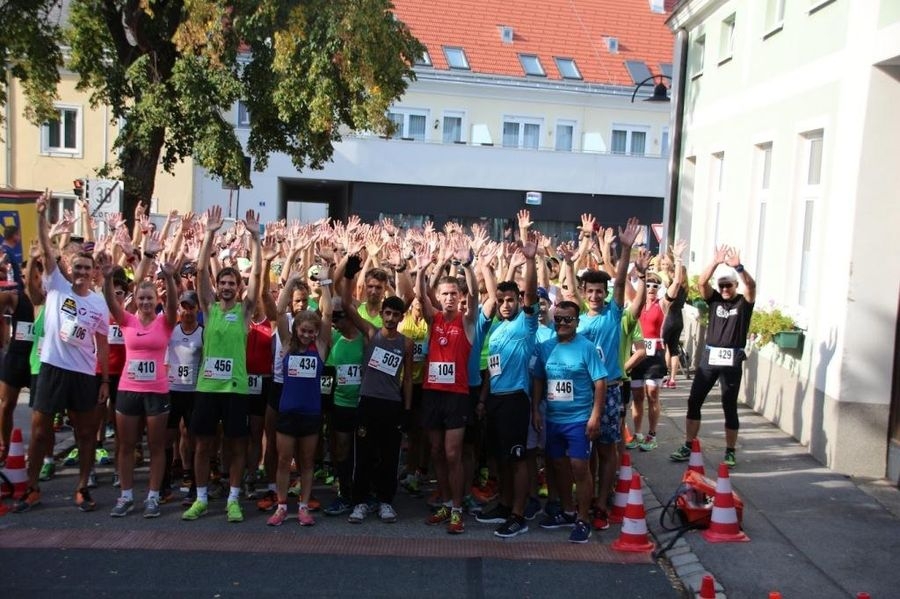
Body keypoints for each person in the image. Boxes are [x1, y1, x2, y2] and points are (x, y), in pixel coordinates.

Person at [14, 190, 110, 513]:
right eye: (78, 267)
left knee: (85, 433)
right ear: (69, 266)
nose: (82, 272)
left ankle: (82, 486)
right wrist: (41, 216)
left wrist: (105, 380)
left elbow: (102, 343)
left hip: (83, 374)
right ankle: (32, 486)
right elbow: (44, 248)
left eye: (87, 269)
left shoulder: (98, 303)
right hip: (52, 367)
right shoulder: (57, 284)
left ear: (94, 272)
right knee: (40, 431)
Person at [182, 206, 261, 523]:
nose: (227, 287)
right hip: (207, 387)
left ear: (238, 288)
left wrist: (256, 239)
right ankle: (200, 498)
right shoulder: (209, 307)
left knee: (236, 446)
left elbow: (257, 275)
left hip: (236, 389)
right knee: (202, 445)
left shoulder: (244, 312)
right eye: (223, 283)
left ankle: (233, 498)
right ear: (217, 287)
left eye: (232, 283)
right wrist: (210, 234)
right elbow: (200, 272)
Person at [572, 217, 640, 530]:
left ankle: (602, 502)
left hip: (611, 389)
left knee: (607, 447)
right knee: (587, 450)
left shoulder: (614, 315)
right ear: (584, 293)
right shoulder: (578, 322)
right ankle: (586, 495)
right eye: (591, 291)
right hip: (584, 392)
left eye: (601, 291)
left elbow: (622, 282)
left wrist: (624, 250)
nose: (596, 296)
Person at [474, 210, 539, 538]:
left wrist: (529, 261)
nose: (505, 304)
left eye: (510, 300)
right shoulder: (497, 331)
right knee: (500, 458)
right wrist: (483, 400)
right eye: (501, 300)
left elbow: (531, 291)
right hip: (496, 400)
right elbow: (491, 370)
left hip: (517, 400)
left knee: (517, 458)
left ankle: (518, 513)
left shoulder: (526, 324)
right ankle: (503, 504)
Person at [100, 253, 178, 518]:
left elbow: (175, 305)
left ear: (157, 301)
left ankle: (153, 497)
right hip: (128, 389)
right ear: (136, 301)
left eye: (150, 298)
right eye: (142, 298)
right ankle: (125, 496)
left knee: (156, 447)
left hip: (157, 391)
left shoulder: (164, 323)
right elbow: (111, 301)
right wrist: (109, 277)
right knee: (126, 445)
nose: (146, 302)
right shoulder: (127, 321)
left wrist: (168, 276)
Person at [670, 245, 755, 468]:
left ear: (735, 286)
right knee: (694, 400)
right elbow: (701, 283)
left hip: (732, 359)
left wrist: (739, 267)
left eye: (729, 285)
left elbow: (751, 286)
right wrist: (715, 262)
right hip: (710, 358)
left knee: (729, 405)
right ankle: (688, 444)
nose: (725, 289)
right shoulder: (715, 299)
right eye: (722, 285)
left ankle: (730, 450)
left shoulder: (743, 303)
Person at [415, 238, 478, 535]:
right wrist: (420, 270)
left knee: (453, 453)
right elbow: (419, 297)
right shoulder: (434, 319)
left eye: (454, 293)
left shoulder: (467, 322)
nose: (449, 298)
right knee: (437, 451)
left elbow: (476, 297)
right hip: (432, 394)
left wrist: (467, 265)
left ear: (460, 296)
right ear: (439, 297)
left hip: (457, 396)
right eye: (445, 294)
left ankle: (456, 508)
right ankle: (444, 501)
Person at [532, 300, 608, 543]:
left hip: (579, 419)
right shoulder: (545, 347)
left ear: (577, 322)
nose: (562, 323)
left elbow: (600, 382)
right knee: (557, 466)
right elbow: (538, 380)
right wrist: (535, 409)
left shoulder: (587, 347)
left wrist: (595, 415)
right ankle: (567, 511)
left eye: (568, 319)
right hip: (553, 418)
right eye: (559, 319)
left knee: (579, 468)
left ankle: (583, 518)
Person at [341, 284, 413, 524]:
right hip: (368, 402)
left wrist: (407, 410)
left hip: (392, 405)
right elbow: (346, 306)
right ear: (381, 314)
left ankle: (385, 502)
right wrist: (348, 275)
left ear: (402, 317)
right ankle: (359, 502)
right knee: (363, 454)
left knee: (389, 456)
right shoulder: (371, 334)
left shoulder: (406, 343)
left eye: (396, 314)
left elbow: (409, 378)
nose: (391, 318)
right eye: (388, 313)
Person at [267, 297, 333, 526]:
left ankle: (303, 506)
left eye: (312, 332)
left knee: (306, 462)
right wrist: (290, 283)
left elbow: (328, 315)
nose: (307, 335)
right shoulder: (286, 343)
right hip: (287, 412)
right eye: (304, 331)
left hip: (311, 413)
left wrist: (325, 282)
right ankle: (282, 506)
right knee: (284, 460)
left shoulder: (321, 347)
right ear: (296, 329)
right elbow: (278, 312)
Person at [165, 290, 203, 504]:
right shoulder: (170, 330)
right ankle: (164, 485)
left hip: (193, 394)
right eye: (184, 307)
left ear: (198, 310)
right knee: (167, 438)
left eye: (191, 307)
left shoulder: (202, 333)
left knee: (193, 438)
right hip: (172, 392)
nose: (187, 311)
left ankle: (196, 487)